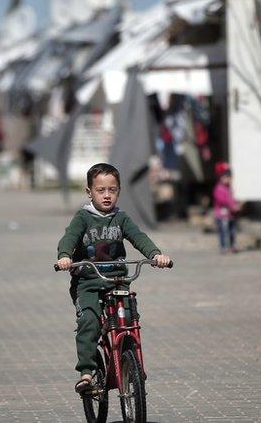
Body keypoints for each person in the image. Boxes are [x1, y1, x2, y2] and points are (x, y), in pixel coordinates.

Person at [56, 163, 171, 394]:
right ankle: (87, 372)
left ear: (119, 191)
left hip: (117, 281)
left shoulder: (121, 218)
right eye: (101, 190)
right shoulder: (83, 218)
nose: (107, 195)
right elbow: (69, 238)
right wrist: (65, 257)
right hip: (87, 282)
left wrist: (156, 255)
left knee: (130, 319)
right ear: (89, 192)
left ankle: (133, 364)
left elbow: (138, 237)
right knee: (89, 320)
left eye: (112, 190)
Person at [212, 162, 242, 254]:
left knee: (232, 231)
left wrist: (238, 204)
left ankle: (233, 245)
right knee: (224, 232)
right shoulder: (219, 188)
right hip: (222, 215)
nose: (228, 179)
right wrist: (233, 206)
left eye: (229, 177)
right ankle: (223, 247)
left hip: (231, 215)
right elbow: (223, 201)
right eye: (225, 177)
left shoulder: (230, 188)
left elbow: (233, 199)